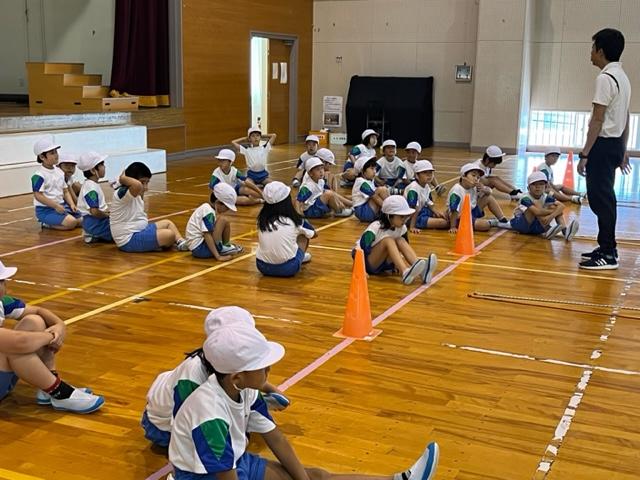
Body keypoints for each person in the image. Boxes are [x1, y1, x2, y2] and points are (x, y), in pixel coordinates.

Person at [168, 319, 439, 480]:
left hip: (236, 464)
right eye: (262, 366)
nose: (269, 370)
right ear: (237, 377)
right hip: (204, 476)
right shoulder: (209, 415)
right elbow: (223, 475)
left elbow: (277, 439)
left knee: (315, 476)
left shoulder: (245, 389)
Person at [142, 306, 289, 448]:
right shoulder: (191, 378)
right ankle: (249, 410)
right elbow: (183, 426)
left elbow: (251, 374)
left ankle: (250, 407)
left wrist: (271, 389)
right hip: (162, 426)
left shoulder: (224, 363)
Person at [0, 261, 104, 413]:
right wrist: (51, 336)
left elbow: (38, 311)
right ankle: (60, 392)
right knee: (11, 348)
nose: (5, 285)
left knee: (34, 321)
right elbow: (20, 342)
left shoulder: (2, 302)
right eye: (1, 281)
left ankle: (49, 386)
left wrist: (59, 325)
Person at [577, 28, 631, 270]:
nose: (590, 53)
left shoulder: (605, 78)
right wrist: (623, 148)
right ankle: (606, 246)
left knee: (602, 200)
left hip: (603, 145)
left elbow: (597, 120)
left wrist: (585, 153)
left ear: (600, 51)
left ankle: (608, 253)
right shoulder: (623, 77)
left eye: (592, 48)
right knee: (605, 198)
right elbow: (625, 117)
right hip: (615, 144)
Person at [354, 196, 438, 285]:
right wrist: (361, 270)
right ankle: (405, 272)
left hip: (384, 264)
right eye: (401, 217)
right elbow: (359, 249)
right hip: (369, 264)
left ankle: (423, 272)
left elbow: (404, 248)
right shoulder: (375, 227)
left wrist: (395, 264)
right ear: (389, 215)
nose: (405, 220)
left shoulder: (402, 228)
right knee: (388, 240)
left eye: (406, 217)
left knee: (400, 240)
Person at [110, 162, 189, 253]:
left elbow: (138, 186)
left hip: (140, 231)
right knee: (169, 235)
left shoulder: (135, 193)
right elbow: (137, 185)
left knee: (168, 223)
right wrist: (122, 178)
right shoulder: (122, 193)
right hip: (129, 239)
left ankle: (181, 242)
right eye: (143, 182)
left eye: (147, 183)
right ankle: (158, 244)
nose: (146, 187)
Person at [256, 182, 317, 277]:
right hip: (288, 268)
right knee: (303, 235)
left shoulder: (262, 220)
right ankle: (300, 257)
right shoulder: (295, 220)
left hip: (262, 266)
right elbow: (313, 234)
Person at [31, 136, 82, 231]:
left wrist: (71, 204)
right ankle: (46, 223)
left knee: (83, 221)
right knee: (71, 223)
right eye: (52, 153)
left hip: (61, 206)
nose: (56, 155)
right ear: (42, 157)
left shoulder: (59, 172)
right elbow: (38, 196)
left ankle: (62, 219)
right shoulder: (38, 175)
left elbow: (65, 191)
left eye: (56, 152)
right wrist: (56, 206)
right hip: (46, 210)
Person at [510, 171, 579, 240]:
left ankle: (566, 232)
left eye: (541, 184)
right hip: (521, 225)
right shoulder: (525, 197)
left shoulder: (546, 196)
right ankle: (548, 230)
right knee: (538, 205)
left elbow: (562, 206)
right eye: (534, 184)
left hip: (535, 227)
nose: (538, 187)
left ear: (545, 187)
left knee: (555, 207)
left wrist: (551, 216)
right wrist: (553, 212)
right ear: (528, 188)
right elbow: (537, 212)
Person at [185, 183, 244, 260]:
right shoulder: (208, 211)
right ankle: (221, 249)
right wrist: (218, 256)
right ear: (218, 202)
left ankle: (225, 246)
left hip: (198, 247)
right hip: (200, 249)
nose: (227, 210)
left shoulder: (208, 208)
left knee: (224, 221)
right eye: (227, 207)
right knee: (223, 220)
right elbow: (207, 234)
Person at [448, 163, 511, 234]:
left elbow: (489, 192)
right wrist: (453, 226)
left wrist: (484, 189)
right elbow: (454, 211)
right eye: (473, 175)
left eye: (478, 177)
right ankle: (492, 222)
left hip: (471, 212)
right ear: (463, 176)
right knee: (485, 225)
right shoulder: (457, 190)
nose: (476, 179)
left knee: (488, 197)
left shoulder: (475, 187)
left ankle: (502, 220)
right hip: (460, 218)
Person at [77, 151, 113, 244]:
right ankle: (93, 233)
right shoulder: (91, 189)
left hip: (96, 221)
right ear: (93, 170)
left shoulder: (92, 185)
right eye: (102, 164)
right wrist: (107, 215)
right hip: (95, 223)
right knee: (122, 231)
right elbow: (94, 211)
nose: (104, 167)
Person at [404, 160, 449, 233]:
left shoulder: (426, 186)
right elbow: (414, 209)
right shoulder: (413, 189)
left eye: (430, 172)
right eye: (425, 172)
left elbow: (428, 202)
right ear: (417, 175)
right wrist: (412, 227)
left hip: (422, 211)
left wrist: (437, 213)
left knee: (446, 216)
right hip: (411, 217)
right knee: (444, 223)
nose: (429, 175)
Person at [352, 157, 389, 223]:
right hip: (363, 212)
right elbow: (375, 197)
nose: (374, 171)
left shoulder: (370, 180)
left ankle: (388, 213)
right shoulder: (361, 182)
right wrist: (388, 209)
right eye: (372, 169)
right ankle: (390, 214)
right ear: (362, 171)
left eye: (375, 169)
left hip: (367, 209)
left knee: (384, 189)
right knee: (382, 189)